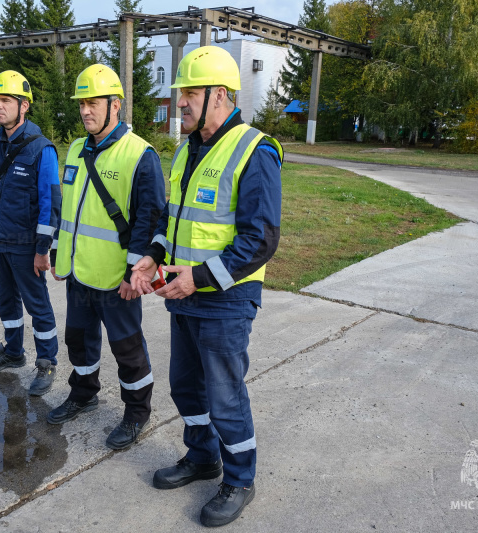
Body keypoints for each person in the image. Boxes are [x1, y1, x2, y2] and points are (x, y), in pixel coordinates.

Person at [130, 46, 282, 527]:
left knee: (225, 395)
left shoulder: (255, 149)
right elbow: (170, 221)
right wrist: (152, 256)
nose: (181, 103)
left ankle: (239, 479)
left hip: (226, 299)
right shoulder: (187, 150)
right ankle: (202, 458)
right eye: (180, 94)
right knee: (187, 387)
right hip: (186, 297)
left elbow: (260, 239)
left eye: (190, 93)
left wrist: (197, 277)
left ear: (220, 95)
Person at [47, 64, 165, 451]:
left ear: (116, 105)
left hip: (118, 279)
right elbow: (70, 210)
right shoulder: (77, 148)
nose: (85, 111)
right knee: (78, 340)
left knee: (127, 348)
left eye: (93, 103)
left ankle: (136, 413)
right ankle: (83, 392)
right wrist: (57, 251)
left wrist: (136, 273)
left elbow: (149, 221)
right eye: (82, 104)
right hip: (80, 271)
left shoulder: (139, 154)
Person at [0, 70, 61, 397]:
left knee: (37, 304)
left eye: (5, 100)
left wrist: (43, 249)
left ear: (23, 106)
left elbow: (50, 202)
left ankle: (47, 362)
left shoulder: (42, 149)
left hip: (27, 246)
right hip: (0, 241)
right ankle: (13, 352)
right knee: (6, 301)